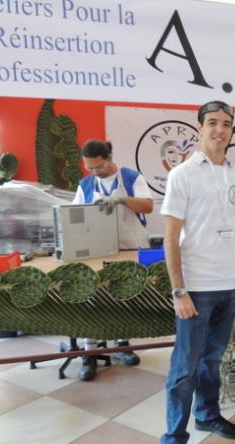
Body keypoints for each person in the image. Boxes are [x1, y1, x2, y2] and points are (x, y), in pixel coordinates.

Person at [158, 100, 235, 444]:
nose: (220, 130)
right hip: (197, 289)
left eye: (226, 124)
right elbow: (170, 239)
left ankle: (207, 414)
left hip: (229, 286)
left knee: (212, 359)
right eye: (213, 123)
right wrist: (179, 291)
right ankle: (173, 443)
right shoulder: (182, 175)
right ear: (200, 127)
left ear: (232, 130)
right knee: (183, 369)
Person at [73, 139, 154, 381]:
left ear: (109, 158)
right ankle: (90, 353)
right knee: (92, 299)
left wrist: (122, 200)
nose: (94, 171)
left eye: (99, 166)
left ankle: (122, 345)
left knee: (125, 298)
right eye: (89, 167)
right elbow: (74, 215)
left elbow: (148, 206)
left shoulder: (130, 177)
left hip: (130, 246)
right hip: (97, 249)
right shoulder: (86, 185)